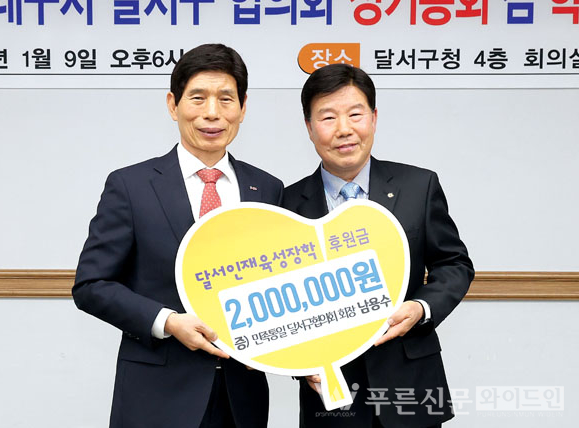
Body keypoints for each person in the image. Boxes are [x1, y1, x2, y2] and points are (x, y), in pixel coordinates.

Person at [73, 44, 283, 428]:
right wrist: (168, 321)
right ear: (173, 105)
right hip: (156, 395)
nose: (212, 112)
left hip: (241, 396)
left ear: (243, 108)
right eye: (198, 98)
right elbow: (91, 285)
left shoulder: (267, 189)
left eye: (226, 99)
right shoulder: (131, 186)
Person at [282, 64, 474, 428]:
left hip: (410, 384)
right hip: (332, 395)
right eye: (328, 117)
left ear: (373, 118)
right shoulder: (287, 205)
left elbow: (454, 264)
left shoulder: (418, 186)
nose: (344, 129)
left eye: (355, 114)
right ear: (309, 127)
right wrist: (300, 363)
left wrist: (420, 308)